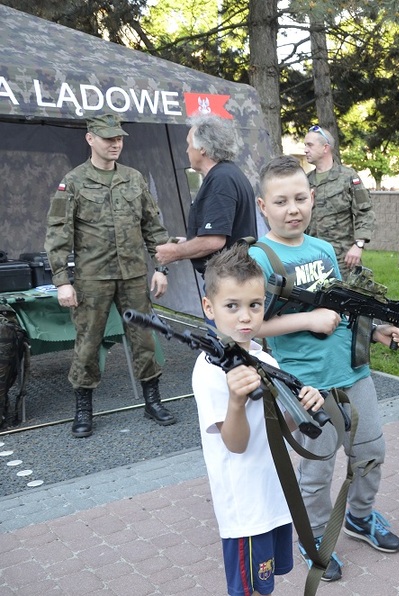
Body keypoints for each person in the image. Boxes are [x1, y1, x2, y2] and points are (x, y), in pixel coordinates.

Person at [248, 155, 399, 583]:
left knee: (370, 452)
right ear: (263, 206)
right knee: (317, 469)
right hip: (307, 385)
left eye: (300, 198)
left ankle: (359, 517)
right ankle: (315, 535)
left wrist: (377, 332)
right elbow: (250, 326)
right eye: (281, 201)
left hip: (352, 374)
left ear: (313, 197)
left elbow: (343, 309)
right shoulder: (258, 259)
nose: (293, 209)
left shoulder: (321, 250)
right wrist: (307, 319)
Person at [192, 243, 325, 596]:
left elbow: (278, 427)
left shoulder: (263, 358)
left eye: (255, 305)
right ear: (209, 307)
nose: (245, 317)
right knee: (249, 591)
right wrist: (236, 402)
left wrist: (304, 407)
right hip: (246, 509)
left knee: (266, 586)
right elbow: (235, 445)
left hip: (273, 497)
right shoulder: (210, 371)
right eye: (232, 306)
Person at [44, 112, 176, 438]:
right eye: (108, 138)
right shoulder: (73, 181)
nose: (115, 144)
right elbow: (58, 233)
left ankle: (152, 401)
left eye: (118, 138)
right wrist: (62, 281)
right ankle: (83, 409)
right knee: (88, 343)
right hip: (93, 278)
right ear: (90, 139)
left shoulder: (133, 178)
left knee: (144, 338)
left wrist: (161, 268)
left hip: (133, 275)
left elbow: (153, 226)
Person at [155, 114, 258, 275]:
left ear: (202, 148)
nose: (187, 150)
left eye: (189, 144)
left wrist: (175, 252)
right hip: (236, 274)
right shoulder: (230, 173)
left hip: (228, 277)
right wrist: (188, 243)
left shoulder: (221, 179)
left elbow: (213, 241)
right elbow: (223, 234)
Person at [302, 125, 375, 278]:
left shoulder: (347, 177)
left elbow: (365, 212)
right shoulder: (305, 181)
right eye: (305, 145)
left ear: (325, 148)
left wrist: (359, 245)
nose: (305, 150)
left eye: (310, 145)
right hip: (311, 258)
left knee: (345, 293)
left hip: (343, 259)